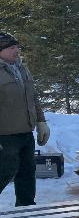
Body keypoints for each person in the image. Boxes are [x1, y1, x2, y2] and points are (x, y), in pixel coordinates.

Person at [0, 32, 50, 206]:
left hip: (26, 133)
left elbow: (33, 97)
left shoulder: (22, 68)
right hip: (5, 136)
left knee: (27, 173)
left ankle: (26, 209)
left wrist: (41, 122)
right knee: (4, 172)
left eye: (17, 47)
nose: (17, 50)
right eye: (12, 47)